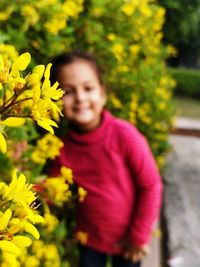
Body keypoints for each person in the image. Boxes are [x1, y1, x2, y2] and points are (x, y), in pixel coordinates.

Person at [50, 51, 163, 267]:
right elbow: (50, 191)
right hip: (89, 240)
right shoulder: (60, 148)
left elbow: (151, 185)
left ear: (102, 94)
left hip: (129, 240)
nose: (81, 98)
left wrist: (139, 235)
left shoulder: (125, 135)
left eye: (88, 88)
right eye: (68, 91)